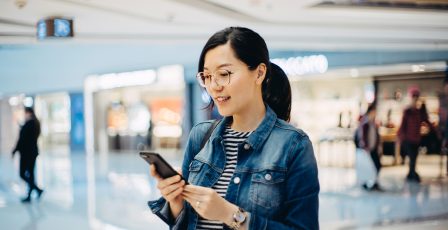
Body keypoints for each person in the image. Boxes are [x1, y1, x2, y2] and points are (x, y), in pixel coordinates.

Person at [147, 27, 319, 229]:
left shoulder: (293, 144)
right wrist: (176, 203)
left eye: (224, 73)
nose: (214, 86)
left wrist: (231, 214)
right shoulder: (201, 136)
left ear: (259, 73)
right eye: (207, 76)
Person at [398, 87, 431, 182]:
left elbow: (426, 121)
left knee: (414, 158)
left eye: (416, 97)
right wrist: (401, 137)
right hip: (408, 139)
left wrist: (434, 129)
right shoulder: (407, 111)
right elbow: (403, 125)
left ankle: (410, 174)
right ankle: (413, 175)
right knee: (412, 158)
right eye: (413, 97)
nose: (415, 99)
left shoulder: (420, 112)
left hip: (416, 139)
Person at [12, 107, 44, 203]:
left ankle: (36, 189)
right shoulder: (35, 123)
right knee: (31, 174)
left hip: (27, 153)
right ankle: (33, 193)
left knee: (23, 173)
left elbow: (22, 139)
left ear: (28, 113)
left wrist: (14, 150)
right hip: (32, 152)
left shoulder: (29, 124)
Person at [357, 104, 382, 191]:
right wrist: (365, 147)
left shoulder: (373, 123)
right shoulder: (365, 123)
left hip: (373, 148)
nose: (375, 113)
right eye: (374, 112)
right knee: (369, 167)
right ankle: (367, 183)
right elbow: (362, 136)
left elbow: (377, 136)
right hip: (367, 149)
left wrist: (379, 146)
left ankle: (374, 183)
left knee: (377, 166)